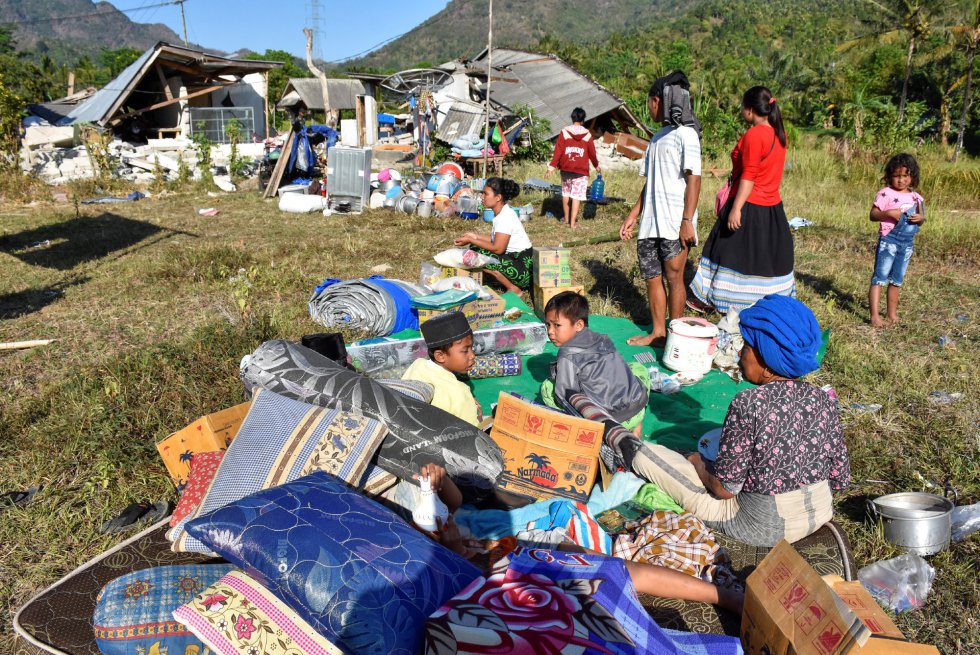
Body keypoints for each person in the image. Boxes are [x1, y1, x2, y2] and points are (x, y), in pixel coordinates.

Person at [608, 295, 850, 547]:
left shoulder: (750, 403)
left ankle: (629, 446)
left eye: (745, 348)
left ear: (767, 365)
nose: (739, 355)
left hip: (764, 528)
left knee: (646, 454)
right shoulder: (822, 399)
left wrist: (695, 461)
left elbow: (725, 489)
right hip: (821, 513)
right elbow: (839, 478)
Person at [417, 463, 743, 614]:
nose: (447, 525)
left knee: (611, 565)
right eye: (441, 530)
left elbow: (455, 505)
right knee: (613, 570)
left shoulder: (463, 531)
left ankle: (722, 596)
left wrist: (441, 480)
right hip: (536, 559)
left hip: (541, 538)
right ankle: (722, 597)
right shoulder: (472, 573)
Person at [689, 86, 794, 313]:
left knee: (725, 252)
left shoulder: (755, 134)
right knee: (759, 257)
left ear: (749, 109)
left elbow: (749, 175)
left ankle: (715, 300)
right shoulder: (779, 134)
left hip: (749, 203)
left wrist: (737, 208)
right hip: (772, 207)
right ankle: (761, 301)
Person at [619, 72, 702, 347]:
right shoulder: (656, 139)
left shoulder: (687, 135)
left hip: (674, 222)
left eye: (650, 102)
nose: (650, 108)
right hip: (650, 223)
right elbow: (649, 183)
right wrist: (633, 214)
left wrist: (687, 220)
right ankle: (658, 332)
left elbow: (694, 179)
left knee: (674, 278)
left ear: (659, 101)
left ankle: (675, 336)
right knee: (652, 278)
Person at [539, 291, 650, 437]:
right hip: (637, 407)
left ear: (578, 325)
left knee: (547, 388)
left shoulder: (567, 355)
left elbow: (565, 395)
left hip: (610, 422)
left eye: (557, 325)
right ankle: (636, 426)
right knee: (637, 368)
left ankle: (617, 431)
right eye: (548, 325)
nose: (550, 332)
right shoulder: (601, 339)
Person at [868, 153, 925, 328]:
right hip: (889, 241)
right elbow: (873, 215)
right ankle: (875, 316)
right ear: (890, 176)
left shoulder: (916, 198)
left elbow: (922, 218)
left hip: (906, 244)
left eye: (905, 176)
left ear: (912, 176)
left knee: (897, 279)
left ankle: (892, 314)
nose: (901, 180)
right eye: (896, 176)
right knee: (880, 277)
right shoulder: (885, 194)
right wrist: (889, 213)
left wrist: (920, 219)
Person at [454, 177, 533, 295]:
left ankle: (514, 289)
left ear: (498, 198)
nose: (482, 197)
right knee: (476, 249)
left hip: (523, 269)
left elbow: (498, 248)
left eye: (486, 194)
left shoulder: (505, 218)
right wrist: (475, 236)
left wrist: (472, 240)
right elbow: (496, 239)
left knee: (478, 255)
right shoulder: (503, 213)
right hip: (519, 261)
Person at [402, 312, 481, 426]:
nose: (472, 355)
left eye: (471, 348)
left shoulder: (418, 365)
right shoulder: (459, 393)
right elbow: (474, 431)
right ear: (440, 356)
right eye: (465, 351)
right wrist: (477, 417)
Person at [546, 107, 600, 229]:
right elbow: (592, 153)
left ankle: (565, 219)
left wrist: (551, 167)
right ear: (583, 119)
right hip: (580, 171)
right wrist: (596, 165)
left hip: (566, 168)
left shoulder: (564, 132)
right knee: (576, 196)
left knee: (566, 193)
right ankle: (573, 223)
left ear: (572, 117)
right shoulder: (587, 134)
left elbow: (558, 151)